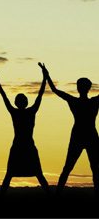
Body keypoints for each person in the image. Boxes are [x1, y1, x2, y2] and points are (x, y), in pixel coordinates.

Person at [42, 64, 99, 195]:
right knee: (93, 169)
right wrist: (46, 75)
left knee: (70, 168)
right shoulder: (93, 102)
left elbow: (55, 90)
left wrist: (46, 75)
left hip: (82, 136)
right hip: (87, 136)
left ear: (79, 88)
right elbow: (55, 90)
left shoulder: (77, 101)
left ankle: (57, 196)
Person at [0, 63, 49, 196]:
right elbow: (40, 95)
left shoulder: (26, 112)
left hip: (25, 146)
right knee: (11, 175)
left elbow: (40, 95)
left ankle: (51, 197)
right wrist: (44, 77)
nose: (22, 102)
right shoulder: (25, 112)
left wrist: (45, 77)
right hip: (22, 146)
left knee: (36, 174)